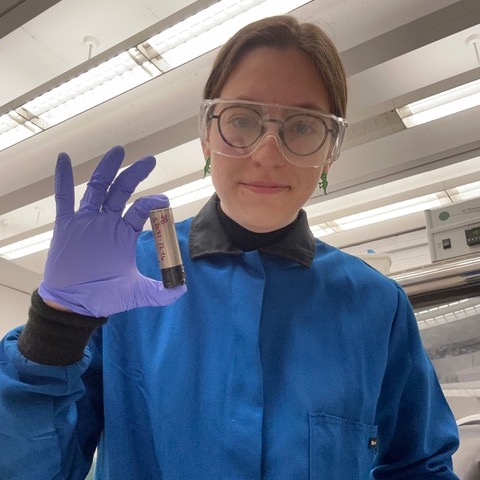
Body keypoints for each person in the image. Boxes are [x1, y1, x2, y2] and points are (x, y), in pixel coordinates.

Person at [0, 15, 460, 480]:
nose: (267, 152)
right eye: (242, 119)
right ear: (206, 136)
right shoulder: (125, 278)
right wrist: (54, 327)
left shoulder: (377, 307)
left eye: (303, 126)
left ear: (330, 150)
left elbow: (420, 467)